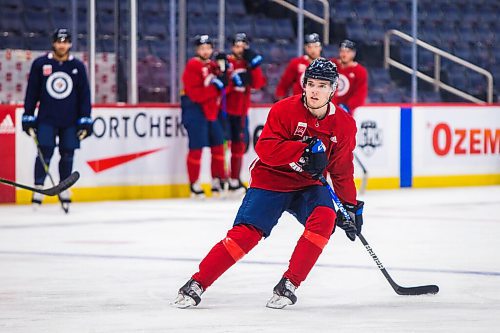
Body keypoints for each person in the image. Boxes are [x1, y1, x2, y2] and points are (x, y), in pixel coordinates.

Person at [172, 58, 365, 309]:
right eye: (311, 84)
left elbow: (341, 170)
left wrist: (349, 206)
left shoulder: (344, 124)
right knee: (245, 235)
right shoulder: (284, 109)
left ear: (333, 88)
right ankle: (197, 283)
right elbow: (265, 149)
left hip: (308, 184)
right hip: (271, 179)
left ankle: (289, 284)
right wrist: (303, 151)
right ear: (303, 85)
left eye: (322, 85)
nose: (315, 91)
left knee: (325, 218)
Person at [22, 28, 92, 209]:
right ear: (53, 43)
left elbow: (84, 95)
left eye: (65, 41)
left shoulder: (77, 66)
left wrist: (85, 118)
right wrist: (28, 114)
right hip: (47, 118)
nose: (62, 45)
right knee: (44, 152)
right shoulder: (40, 64)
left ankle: (64, 188)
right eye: (59, 41)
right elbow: (32, 92)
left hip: (70, 120)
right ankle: (38, 188)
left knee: (68, 154)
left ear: (70, 44)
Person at [181, 35, 227, 198]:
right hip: (196, 112)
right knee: (196, 148)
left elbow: (224, 83)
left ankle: (217, 181)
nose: (205, 51)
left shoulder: (212, 65)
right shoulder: (193, 65)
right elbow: (195, 94)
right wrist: (216, 88)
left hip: (212, 111)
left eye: (208, 48)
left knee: (218, 147)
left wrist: (224, 70)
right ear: (196, 50)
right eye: (202, 48)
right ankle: (194, 183)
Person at [223, 33, 266, 194]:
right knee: (223, 147)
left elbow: (258, 84)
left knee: (238, 147)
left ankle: (234, 179)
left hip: (241, 112)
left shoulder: (248, 63)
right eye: (237, 45)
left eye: (243, 46)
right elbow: (221, 88)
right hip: (225, 111)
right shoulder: (227, 62)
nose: (239, 49)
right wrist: (231, 84)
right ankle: (222, 179)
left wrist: (254, 67)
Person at [274, 33, 323, 101]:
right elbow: (284, 85)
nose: (313, 50)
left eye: (316, 46)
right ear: (305, 48)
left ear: (320, 47)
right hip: (299, 104)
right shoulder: (296, 63)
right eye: (309, 46)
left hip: (319, 105)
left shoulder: (327, 65)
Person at [330, 40, 368, 115]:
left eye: (348, 52)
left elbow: (359, 94)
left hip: (348, 111)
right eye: (342, 51)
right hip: (329, 108)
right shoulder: (331, 65)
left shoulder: (360, 71)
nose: (344, 54)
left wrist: (347, 107)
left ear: (353, 53)